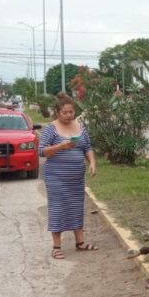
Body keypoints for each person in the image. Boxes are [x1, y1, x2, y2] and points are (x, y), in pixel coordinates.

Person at [38, 92, 97, 259]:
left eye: (71, 112)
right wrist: (61, 146)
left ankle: (80, 242)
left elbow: (87, 148)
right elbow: (41, 151)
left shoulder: (80, 128)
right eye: (65, 112)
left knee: (77, 208)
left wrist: (92, 162)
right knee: (58, 209)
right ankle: (56, 246)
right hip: (56, 178)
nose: (69, 115)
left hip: (76, 178)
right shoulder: (51, 129)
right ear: (58, 112)